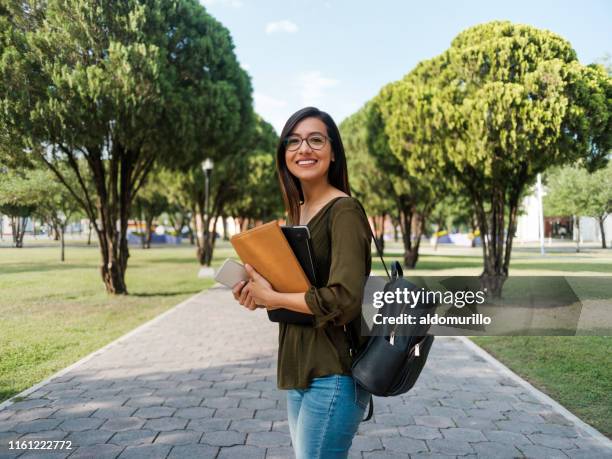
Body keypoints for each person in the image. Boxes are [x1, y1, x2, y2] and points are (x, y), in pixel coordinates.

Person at [231, 107, 372, 458]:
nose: (303, 148)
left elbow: (345, 299)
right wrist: (259, 295)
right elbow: (293, 291)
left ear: (333, 150)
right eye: (292, 141)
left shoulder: (344, 211)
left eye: (315, 139)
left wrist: (274, 297)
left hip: (334, 373)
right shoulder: (297, 213)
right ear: (283, 155)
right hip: (300, 370)